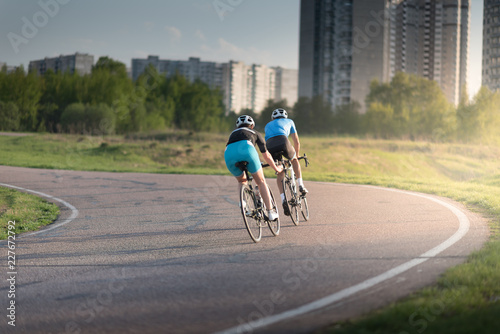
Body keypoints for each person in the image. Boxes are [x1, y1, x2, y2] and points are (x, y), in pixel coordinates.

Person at [224, 115, 283, 221]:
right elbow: (267, 155)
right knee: (260, 181)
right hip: (247, 151)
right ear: (251, 126)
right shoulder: (255, 133)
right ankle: (270, 212)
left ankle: (243, 203)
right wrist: (276, 168)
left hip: (229, 154)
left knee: (242, 181)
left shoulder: (232, 134)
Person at [264, 108, 308, 216]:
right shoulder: (290, 121)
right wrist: (296, 155)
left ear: (273, 118)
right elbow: (296, 141)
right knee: (294, 160)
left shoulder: (268, 125)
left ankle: (283, 199)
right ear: (285, 116)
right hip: (283, 140)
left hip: (269, 145)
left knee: (280, 172)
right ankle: (301, 185)